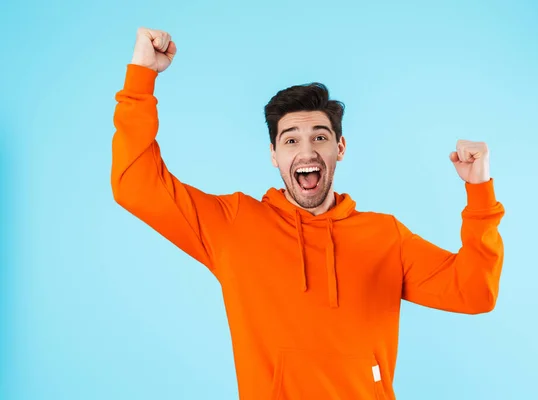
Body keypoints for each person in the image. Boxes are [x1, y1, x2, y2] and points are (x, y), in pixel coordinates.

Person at [111, 27, 505, 400]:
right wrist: (141, 78)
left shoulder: (386, 236)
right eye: (291, 140)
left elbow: (473, 292)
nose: (307, 151)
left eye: (320, 136)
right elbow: (136, 184)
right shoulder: (232, 224)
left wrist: (479, 192)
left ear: (340, 148)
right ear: (274, 155)